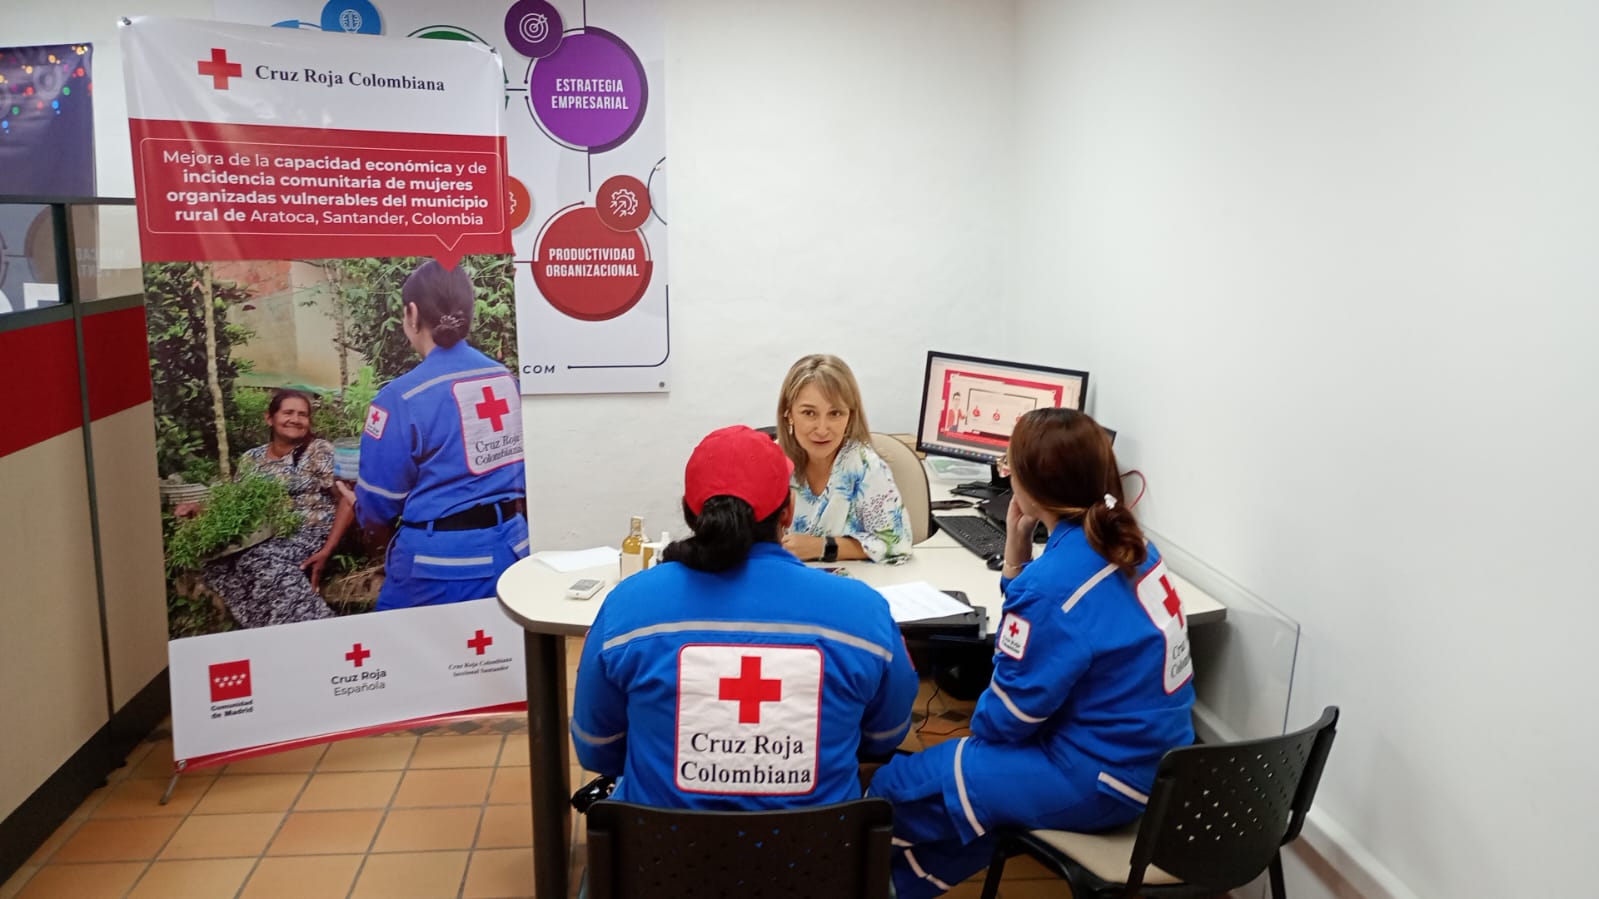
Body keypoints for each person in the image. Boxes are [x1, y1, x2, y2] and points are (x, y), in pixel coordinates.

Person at [867, 408, 1196, 898]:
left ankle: (847, 871)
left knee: (899, 787)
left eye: (1008, 464)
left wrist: (1021, 577)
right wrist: (1017, 554)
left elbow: (1002, 723)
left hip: (1100, 779)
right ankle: (896, 886)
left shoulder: (1051, 586)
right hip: (1158, 766)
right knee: (979, 807)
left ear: (1029, 485)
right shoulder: (1131, 545)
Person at [571, 425, 919, 810]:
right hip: (816, 863)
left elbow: (595, 748)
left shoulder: (627, 607)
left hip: (659, 863)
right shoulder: (864, 613)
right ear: (788, 511)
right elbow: (885, 735)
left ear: (690, 511)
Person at [354, 260, 529, 610]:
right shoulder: (508, 382)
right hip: (515, 553)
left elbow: (376, 510)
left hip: (435, 573)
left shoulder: (400, 399)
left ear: (412, 313)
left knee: (398, 658)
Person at [201, 389, 353, 628]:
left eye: (303, 414)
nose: (295, 419)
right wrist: (200, 509)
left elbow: (348, 499)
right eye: (288, 412)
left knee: (260, 559)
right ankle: (266, 630)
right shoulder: (252, 458)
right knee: (216, 566)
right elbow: (237, 504)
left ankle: (320, 627)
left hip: (313, 531)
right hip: (264, 535)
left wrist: (327, 550)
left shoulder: (318, 451)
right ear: (269, 418)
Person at [776, 354, 912, 563]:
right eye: (809, 413)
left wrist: (822, 546)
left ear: (850, 416)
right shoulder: (770, 463)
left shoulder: (866, 467)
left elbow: (897, 544)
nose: (822, 429)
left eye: (835, 413)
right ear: (789, 414)